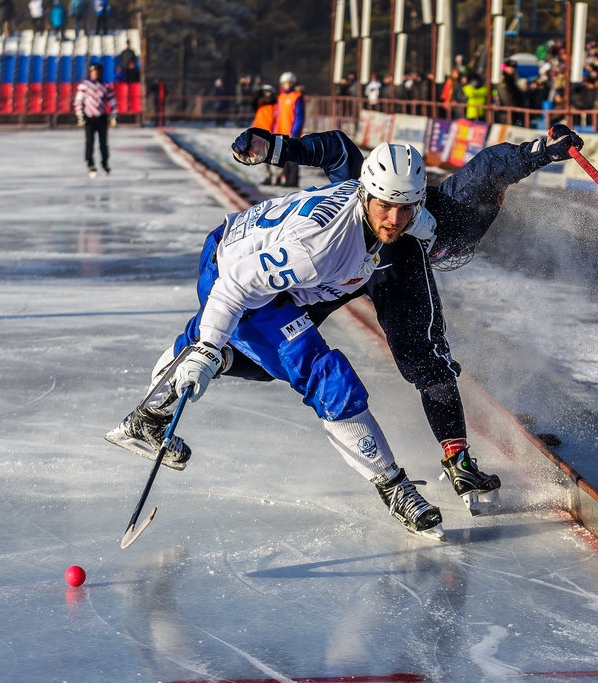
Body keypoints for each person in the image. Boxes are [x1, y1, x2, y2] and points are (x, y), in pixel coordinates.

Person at [226, 123, 584, 517]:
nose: (396, 218)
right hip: (361, 265)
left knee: (419, 360)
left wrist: (276, 148)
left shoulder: (445, 215)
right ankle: (458, 460)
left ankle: (223, 356)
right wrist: (541, 150)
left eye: (406, 210)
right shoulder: (452, 212)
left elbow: (485, 170)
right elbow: (486, 169)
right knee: (423, 361)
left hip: (380, 269)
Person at [107, 142, 449, 540]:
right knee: (324, 374)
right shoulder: (318, 246)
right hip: (231, 273)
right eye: (385, 206)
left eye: (405, 208)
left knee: (268, 362)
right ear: (365, 193)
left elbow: (402, 211)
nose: (394, 219)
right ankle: (394, 488)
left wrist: (424, 226)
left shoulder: (378, 203)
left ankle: (148, 417)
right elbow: (236, 284)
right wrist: (206, 347)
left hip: (254, 262)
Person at [74, 60, 117, 176]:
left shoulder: (105, 85)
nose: (95, 74)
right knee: (90, 142)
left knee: (103, 142)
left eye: (97, 72)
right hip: (89, 117)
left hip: (102, 117)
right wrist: (80, 115)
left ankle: (105, 163)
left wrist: (114, 115)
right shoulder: (85, 86)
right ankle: (90, 164)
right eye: (93, 72)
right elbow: (78, 101)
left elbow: (112, 101)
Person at [272, 71, 304, 186]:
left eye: (289, 83)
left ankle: (293, 180)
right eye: (285, 83)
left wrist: (295, 131)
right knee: (284, 157)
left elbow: (299, 116)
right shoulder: (280, 98)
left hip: (292, 133)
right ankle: (285, 179)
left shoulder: (297, 97)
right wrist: (275, 130)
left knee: (294, 158)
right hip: (281, 132)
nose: (287, 85)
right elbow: (278, 115)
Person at [250, 84, 278, 184]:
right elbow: (252, 102)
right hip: (261, 135)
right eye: (265, 93)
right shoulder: (259, 105)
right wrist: (259, 92)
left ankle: (278, 177)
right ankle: (268, 177)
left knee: (276, 157)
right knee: (264, 158)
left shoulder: (276, 106)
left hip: (273, 134)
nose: (267, 96)